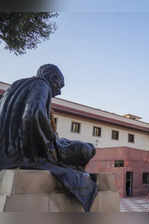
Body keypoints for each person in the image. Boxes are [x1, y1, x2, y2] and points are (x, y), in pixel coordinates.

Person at [0, 64, 97, 212]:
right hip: (23, 153)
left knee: (79, 146)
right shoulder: (42, 85)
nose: (58, 92)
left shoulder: (16, 85)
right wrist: (50, 143)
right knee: (87, 149)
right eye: (60, 86)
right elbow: (33, 114)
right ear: (52, 78)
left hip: (6, 153)